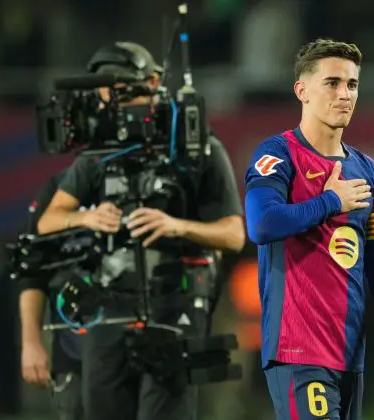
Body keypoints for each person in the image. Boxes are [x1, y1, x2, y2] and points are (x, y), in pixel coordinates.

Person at [37, 41, 245, 420]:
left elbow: (234, 235)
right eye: (105, 92)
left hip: (175, 304)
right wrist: (87, 217)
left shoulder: (198, 148)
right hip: (109, 308)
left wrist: (175, 225)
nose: (112, 101)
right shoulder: (96, 156)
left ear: (152, 84)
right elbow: (49, 220)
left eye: (122, 90)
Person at [244, 38, 374, 419]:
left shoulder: (366, 169)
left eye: (352, 85)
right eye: (332, 83)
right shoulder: (277, 154)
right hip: (297, 349)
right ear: (301, 91)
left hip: (350, 353)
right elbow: (262, 223)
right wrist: (331, 202)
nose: (344, 94)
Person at [19, 169, 84, 420]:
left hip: (144, 352)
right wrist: (31, 342)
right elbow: (32, 271)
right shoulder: (62, 186)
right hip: (75, 352)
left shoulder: (155, 182)